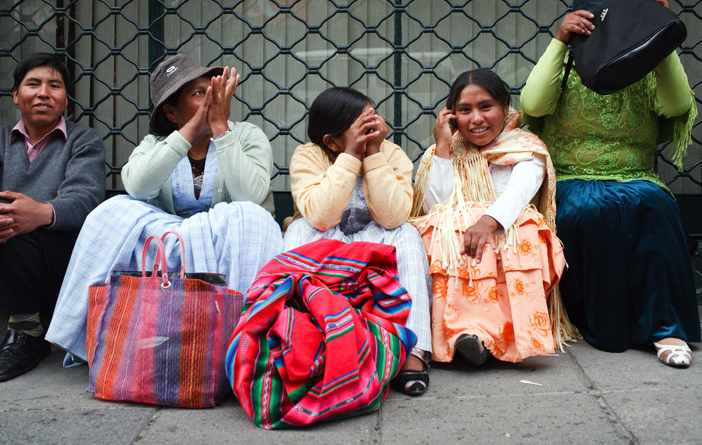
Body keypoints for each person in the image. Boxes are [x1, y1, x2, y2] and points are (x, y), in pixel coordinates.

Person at [45, 54, 284, 364]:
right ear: (171, 112)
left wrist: (220, 129)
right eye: (199, 93)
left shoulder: (247, 135)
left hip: (228, 246)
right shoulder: (156, 142)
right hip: (169, 250)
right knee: (112, 209)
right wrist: (188, 133)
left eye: (212, 88)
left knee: (253, 217)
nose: (211, 97)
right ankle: (100, 335)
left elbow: (249, 196)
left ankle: (243, 344)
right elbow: (138, 187)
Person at [520, 0, 701, 368]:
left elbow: (678, 105)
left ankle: (666, 329)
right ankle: (600, 323)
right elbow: (532, 103)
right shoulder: (567, 68)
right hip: (572, 179)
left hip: (635, 176)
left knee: (653, 207)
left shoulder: (647, 68)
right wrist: (559, 40)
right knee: (587, 212)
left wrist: (660, 34)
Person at [0, 53, 106, 382]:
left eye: (55, 85)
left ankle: (27, 332)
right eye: (32, 84)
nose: (43, 93)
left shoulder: (83, 141)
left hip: (51, 273)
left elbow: (85, 199)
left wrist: (39, 213)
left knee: (11, 214)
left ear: (65, 97)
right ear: (17, 95)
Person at [410, 68, 572, 367]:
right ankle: (466, 336)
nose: (476, 119)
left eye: (486, 106)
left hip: (503, 238)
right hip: (459, 243)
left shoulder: (525, 147)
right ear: (451, 115)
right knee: (439, 228)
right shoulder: (445, 150)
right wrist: (444, 148)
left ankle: (494, 336)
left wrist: (486, 222)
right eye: (464, 110)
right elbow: (437, 205)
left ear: (504, 107)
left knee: (524, 226)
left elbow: (520, 193)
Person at [283, 87, 432, 396]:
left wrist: (374, 154)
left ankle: (414, 353)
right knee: (297, 230)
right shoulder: (308, 155)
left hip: (376, 238)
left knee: (408, 233)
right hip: (326, 238)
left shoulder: (391, 153)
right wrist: (350, 156)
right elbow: (320, 216)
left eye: (373, 117)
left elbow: (392, 217)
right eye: (362, 126)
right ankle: (298, 345)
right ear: (331, 141)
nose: (372, 127)